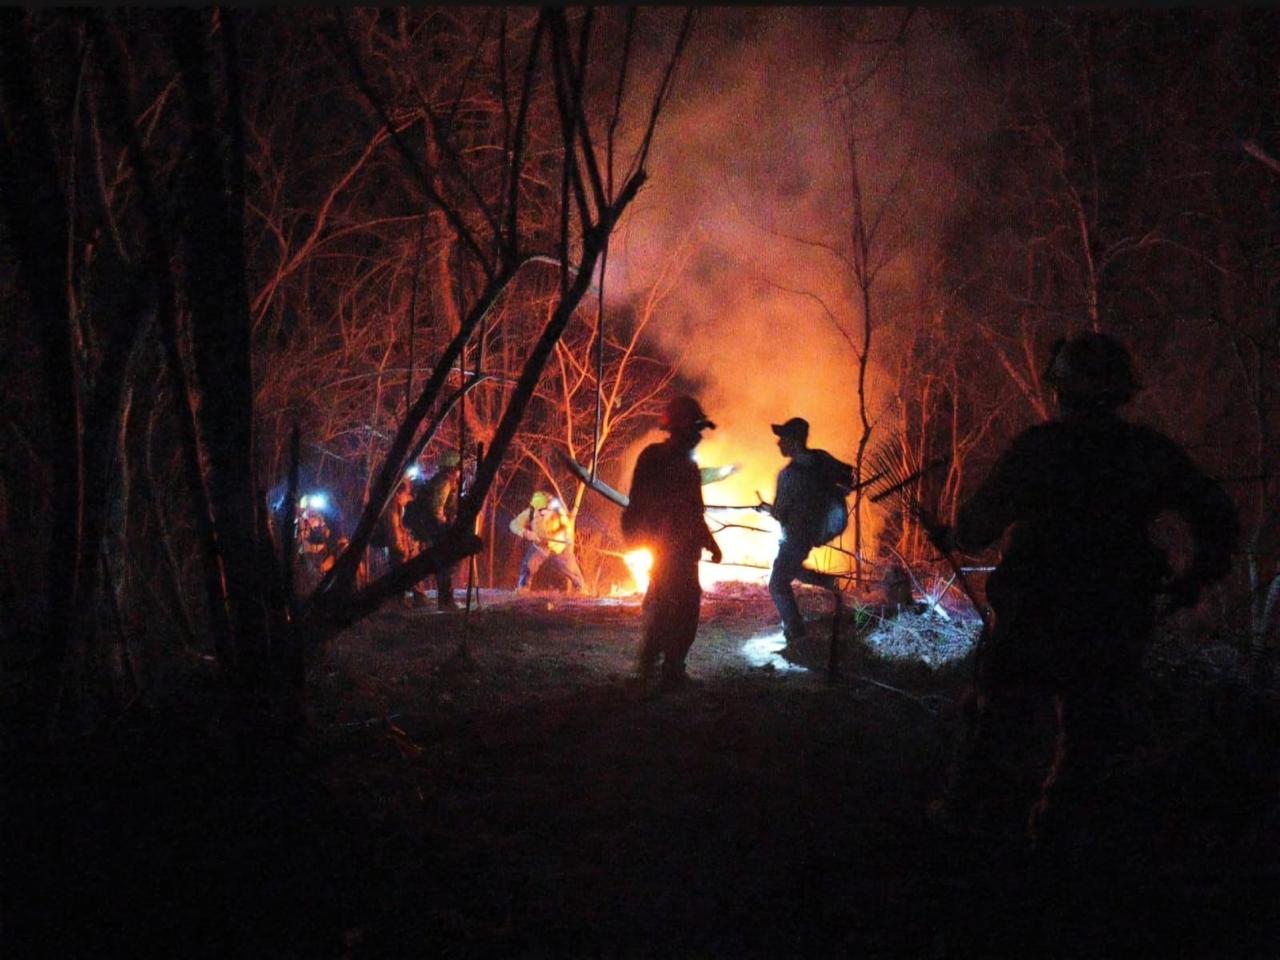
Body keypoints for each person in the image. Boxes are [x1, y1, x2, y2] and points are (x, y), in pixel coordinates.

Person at [926, 332, 1238, 842]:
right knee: (1090, 737)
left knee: (999, 719)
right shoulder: (1147, 453)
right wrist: (1195, 578)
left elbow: (979, 528)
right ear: (1121, 393)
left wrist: (953, 536)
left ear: (1061, 391)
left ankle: (971, 825)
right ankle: (1062, 837)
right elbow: (1216, 516)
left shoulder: (1039, 449)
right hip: (1114, 617)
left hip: (1036, 615)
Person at [622, 395, 723, 688]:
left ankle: (653, 664)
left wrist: (710, 542)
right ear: (681, 429)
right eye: (696, 430)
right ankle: (667, 667)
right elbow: (639, 504)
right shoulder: (657, 459)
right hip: (669, 549)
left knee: (669, 605)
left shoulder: (687, 466)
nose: (699, 437)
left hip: (682, 549)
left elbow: (695, 512)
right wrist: (644, 537)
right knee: (678, 607)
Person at [764, 417, 854, 644]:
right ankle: (832, 583)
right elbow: (848, 478)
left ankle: (797, 634)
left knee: (777, 584)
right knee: (791, 569)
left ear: (793, 441)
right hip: (815, 532)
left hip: (796, 536)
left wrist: (767, 509)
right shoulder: (821, 459)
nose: (778, 444)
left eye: (782, 439)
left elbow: (780, 512)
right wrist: (835, 493)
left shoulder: (789, 475)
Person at [404, 451, 463, 611]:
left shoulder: (442, 481)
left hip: (433, 528)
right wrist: (444, 526)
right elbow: (436, 509)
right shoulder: (444, 483)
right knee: (445, 563)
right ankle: (445, 601)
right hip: (436, 530)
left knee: (444, 563)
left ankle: (444, 599)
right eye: (458, 467)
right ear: (452, 468)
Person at [510, 491, 588, 594]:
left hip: (559, 546)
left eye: (545, 509)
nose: (543, 512)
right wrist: (526, 532)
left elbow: (565, 525)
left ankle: (582, 590)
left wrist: (556, 534)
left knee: (570, 569)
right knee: (528, 565)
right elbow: (514, 524)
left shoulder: (558, 510)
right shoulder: (530, 513)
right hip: (540, 546)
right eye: (540, 510)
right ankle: (523, 588)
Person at [385, 475, 429, 608]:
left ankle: (415, 597)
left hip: (405, 543)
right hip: (399, 546)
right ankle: (401, 599)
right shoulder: (392, 509)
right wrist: (401, 548)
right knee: (402, 571)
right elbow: (393, 532)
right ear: (398, 493)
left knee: (412, 568)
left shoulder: (399, 506)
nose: (409, 496)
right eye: (406, 493)